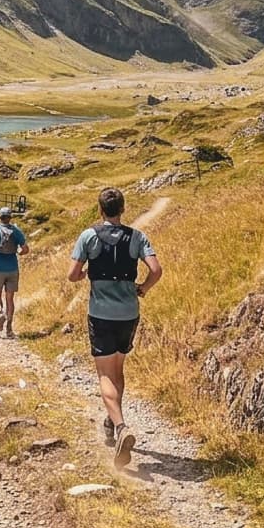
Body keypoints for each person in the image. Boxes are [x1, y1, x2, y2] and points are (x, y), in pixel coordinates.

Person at [67, 187, 163, 469]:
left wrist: (87, 272)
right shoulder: (137, 237)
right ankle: (111, 420)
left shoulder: (89, 236)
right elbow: (156, 270)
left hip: (101, 313)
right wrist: (142, 289)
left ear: (100, 210)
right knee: (118, 369)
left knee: (104, 374)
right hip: (129, 313)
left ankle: (121, 427)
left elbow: (72, 275)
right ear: (123, 209)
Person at [0, 206, 29, 338]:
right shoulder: (16, 231)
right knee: (10, 298)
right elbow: (25, 248)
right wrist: (19, 252)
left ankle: (1, 314)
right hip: (13, 268)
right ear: (10, 217)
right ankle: (9, 329)